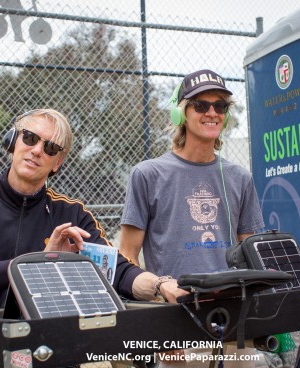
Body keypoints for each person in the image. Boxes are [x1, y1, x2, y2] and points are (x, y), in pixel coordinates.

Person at [0, 108, 186, 316]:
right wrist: (40, 262)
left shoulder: (73, 213)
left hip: (56, 348)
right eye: (29, 138)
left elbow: (118, 271)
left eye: (50, 148)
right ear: (12, 141)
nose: (37, 150)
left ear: (57, 163)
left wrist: (161, 285)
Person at [120, 70, 266, 367]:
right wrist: (155, 329)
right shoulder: (147, 174)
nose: (212, 112)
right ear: (180, 114)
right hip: (177, 327)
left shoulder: (239, 177)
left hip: (234, 324)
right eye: (201, 105)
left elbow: (254, 253)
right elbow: (127, 257)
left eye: (220, 106)